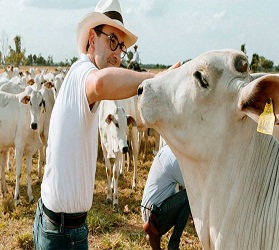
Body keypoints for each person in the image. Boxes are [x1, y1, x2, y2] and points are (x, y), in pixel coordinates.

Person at [32, 0, 179, 249]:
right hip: (61, 233)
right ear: (92, 38)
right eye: (112, 41)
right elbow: (100, 84)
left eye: (121, 47)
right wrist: (156, 79)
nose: (117, 54)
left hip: (60, 224)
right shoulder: (83, 73)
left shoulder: (80, 74)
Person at [141, 145, 191, 250]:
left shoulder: (166, 151)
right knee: (189, 196)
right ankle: (173, 245)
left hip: (150, 211)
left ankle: (160, 241)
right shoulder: (173, 160)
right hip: (155, 217)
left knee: (184, 200)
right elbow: (192, 187)